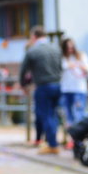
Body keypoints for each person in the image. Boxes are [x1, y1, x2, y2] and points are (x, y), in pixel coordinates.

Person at [20, 26, 63, 155]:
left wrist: (24, 85)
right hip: (58, 84)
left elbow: (23, 70)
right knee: (54, 115)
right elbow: (61, 66)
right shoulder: (56, 48)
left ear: (34, 36)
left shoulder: (33, 51)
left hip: (43, 86)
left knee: (46, 115)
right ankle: (52, 140)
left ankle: (52, 144)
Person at [60, 37, 88, 129]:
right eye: (67, 48)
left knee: (78, 114)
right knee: (68, 116)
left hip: (79, 89)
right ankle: (71, 138)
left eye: (72, 47)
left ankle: (79, 136)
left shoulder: (81, 56)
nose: (70, 50)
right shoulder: (62, 58)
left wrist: (82, 67)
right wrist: (68, 66)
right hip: (66, 89)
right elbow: (58, 70)